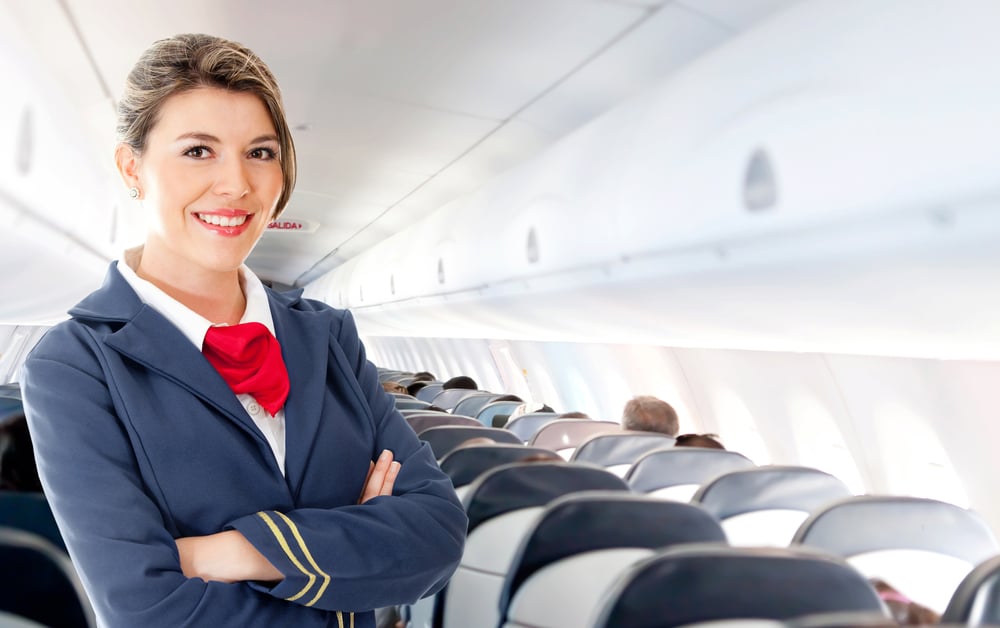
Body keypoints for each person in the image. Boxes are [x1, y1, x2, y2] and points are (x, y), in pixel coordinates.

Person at [20, 34, 466, 628]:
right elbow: (146, 610)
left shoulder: (329, 337)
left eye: (260, 152)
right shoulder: (75, 365)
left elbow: (437, 533)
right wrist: (355, 549)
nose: (236, 184)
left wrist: (227, 553)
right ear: (133, 168)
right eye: (198, 151)